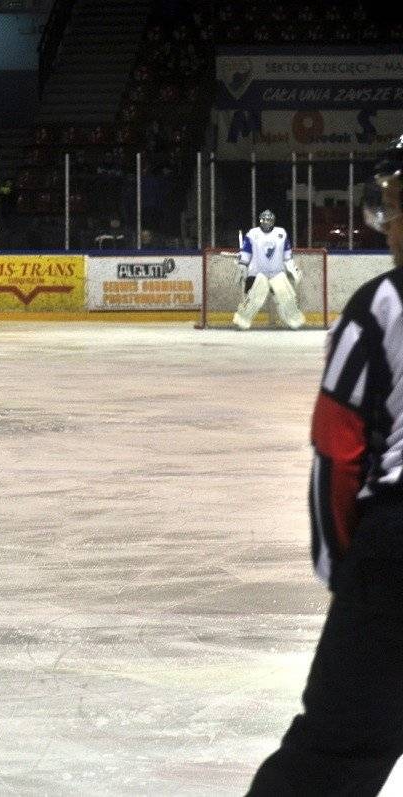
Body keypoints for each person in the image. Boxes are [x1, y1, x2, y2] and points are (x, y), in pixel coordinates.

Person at [246, 137, 403, 794]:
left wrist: (348, 565)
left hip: (396, 554)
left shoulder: (383, 305)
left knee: (336, 751)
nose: (389, 220)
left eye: (398, 203)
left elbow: (338, 447)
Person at [233, 209, 304, 330]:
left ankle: (294, 320)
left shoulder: (281, 233)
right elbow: (246, 252)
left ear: (273, 221)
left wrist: (292, 268)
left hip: (277, 273)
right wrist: (242, 265)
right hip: (258, 273)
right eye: (263, 219)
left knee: (287, 298)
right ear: (260, 220)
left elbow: (287, 254)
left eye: (268, 219)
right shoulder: (253, 233)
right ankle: (242, 321)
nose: (266, 222)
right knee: (254, 299)